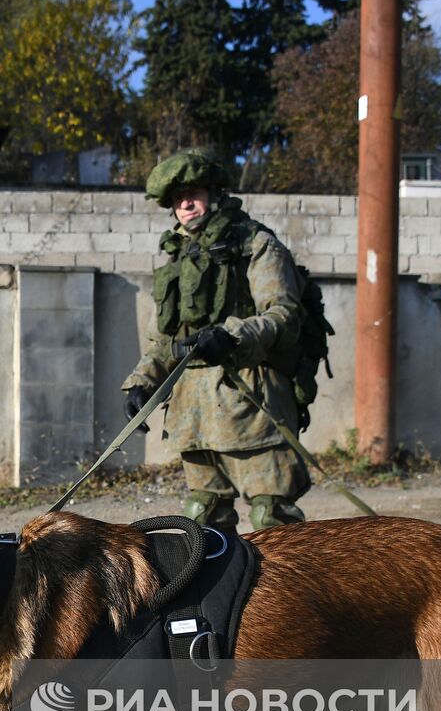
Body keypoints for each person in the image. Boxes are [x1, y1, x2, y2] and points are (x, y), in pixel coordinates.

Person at [121, 150, 311, 533]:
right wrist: (140, 384)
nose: (185, 204)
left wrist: (230, 336)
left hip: (252, 406)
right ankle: (220, 595)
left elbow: (283, 313)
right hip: (193, 412)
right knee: (204, 523)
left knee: (272, 521)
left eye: (193, 193)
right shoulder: (176, 261)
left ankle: (294, 595)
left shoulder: (256, 245)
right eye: (177, 200)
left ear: (216, 194)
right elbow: (163, 338)